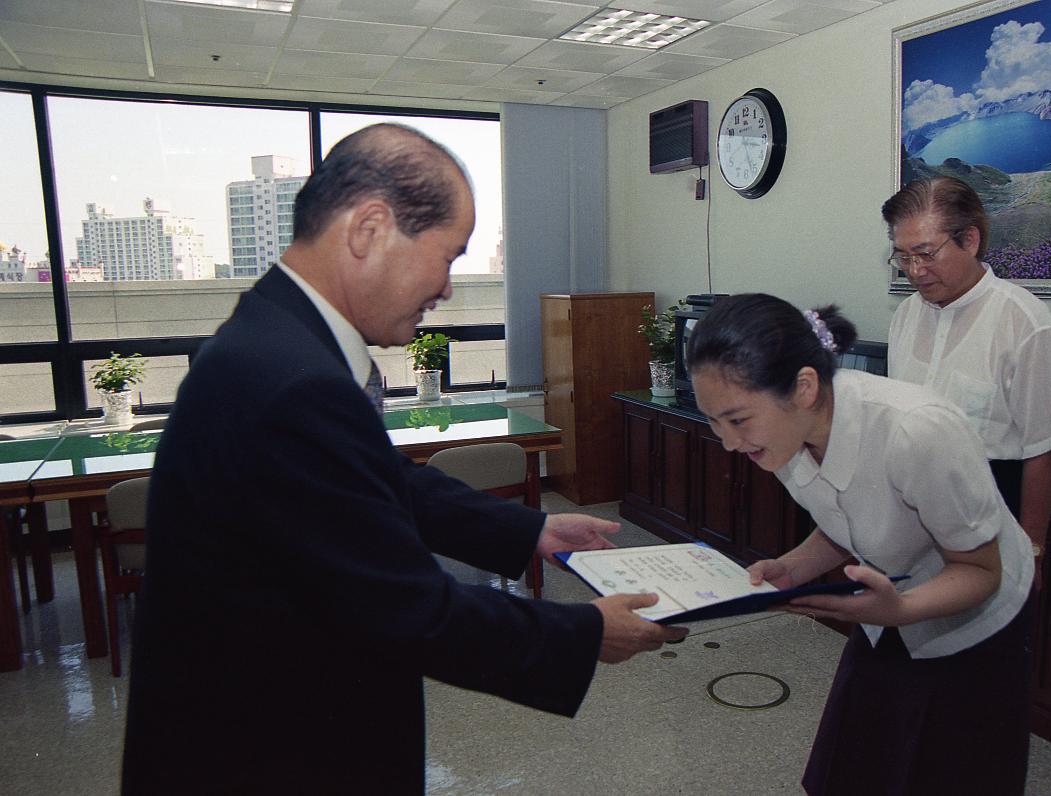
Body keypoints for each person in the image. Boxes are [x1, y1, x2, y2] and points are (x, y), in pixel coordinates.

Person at [121, 123, 685, 794]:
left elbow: (379, 484)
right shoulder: (291, 380)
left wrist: (528, 528)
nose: (447, 288)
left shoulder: (276, 342)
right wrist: (584, 633)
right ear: (369, 229)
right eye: (448, 255)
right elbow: (406, 610)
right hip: (275, 753)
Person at [688, 294, 1035, 795]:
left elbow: (982, 569)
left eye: (737, 420)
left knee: (948, 771)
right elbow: (846, 516)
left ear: (804, 387)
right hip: (888, 604)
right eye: (714, 421)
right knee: (857, 765)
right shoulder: (786, 435)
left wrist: (903, 609)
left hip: (976, 618)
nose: (728, 442)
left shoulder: (918, 430)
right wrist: (793, 568)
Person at [881, 177, 1051, 556]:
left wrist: (1032, 550)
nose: (915, 270)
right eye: (903, 257)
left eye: (925, 253)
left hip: (987, 516)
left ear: (970, 241)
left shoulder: (1024, 321)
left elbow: (1043, 450)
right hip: (909, 519)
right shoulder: (906, 315)